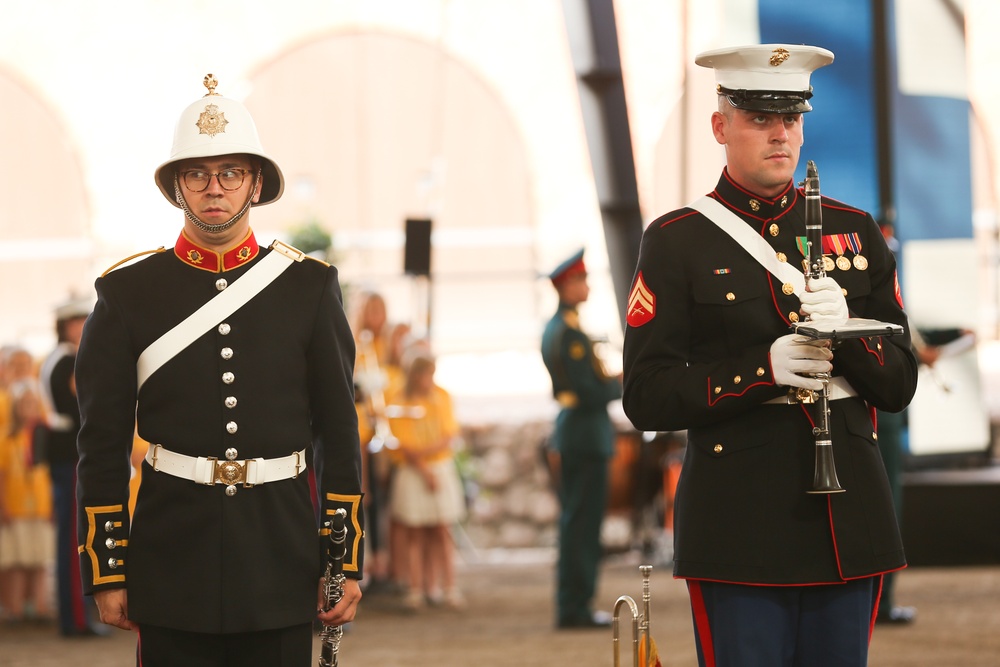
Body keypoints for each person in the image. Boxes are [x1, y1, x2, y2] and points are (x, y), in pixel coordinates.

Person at [622, 44, 918, 666]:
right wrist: (763, 371)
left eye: (792, 117)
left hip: (848, 520)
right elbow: (646, 393)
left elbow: (897, 387)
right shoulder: (677, 241)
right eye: (759, 117)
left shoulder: (855, 230)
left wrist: (852, 335)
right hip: (740, 527)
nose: (780, 133)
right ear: (720, 126)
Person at [74, 74, 364, 666]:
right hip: (170, 557)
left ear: (256, 183)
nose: (215, 188)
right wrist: (109, 570)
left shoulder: (308, 287)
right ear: (177, 186)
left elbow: (339, 434)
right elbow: (100, 445)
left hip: (279, 556)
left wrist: (342, 561)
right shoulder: (126, 293)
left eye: (231, 172)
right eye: (198, 173)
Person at [540, 249, 622, 629]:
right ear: (566, 285)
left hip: (579, 430)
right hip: (584, 432)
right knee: (582, 525)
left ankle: (576, 602)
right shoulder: (569, 332)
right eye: (581, 280)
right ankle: (575, 606)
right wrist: (621, 385)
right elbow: (589, 391)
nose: (586, 286)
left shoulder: (564, 327)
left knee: (579, 522)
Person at [38, 295, 105, 637]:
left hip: (64, 456)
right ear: (65, 327)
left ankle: (76, 617)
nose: (84, 328)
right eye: (77, 323)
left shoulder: (58, 359)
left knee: (72, 538)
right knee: (74, 542)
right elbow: (83, 408)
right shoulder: (68, 361)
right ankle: (76, 620)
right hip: (70, 455)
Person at [386, 349, 466, 611]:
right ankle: (416, 588)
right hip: (413, 469)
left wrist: (426, 457)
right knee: (415, 532)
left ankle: (447, 586)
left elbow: (448, 433)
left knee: (442, 529)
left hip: (438, 466)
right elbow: (401, 440)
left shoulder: (441, 396)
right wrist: (422, 464)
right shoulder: (400, 400)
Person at [0, 379, 54, 624]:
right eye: (25, 403)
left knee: (39, 560)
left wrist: (52, 503)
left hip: (41, 507)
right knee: (17, 562)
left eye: (33, 403)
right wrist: (3, 506)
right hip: (16, 507)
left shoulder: (44, 435)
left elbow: (51, 474)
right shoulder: (6, 438)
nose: (29, 407)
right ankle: (15, 609)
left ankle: (40, 608)